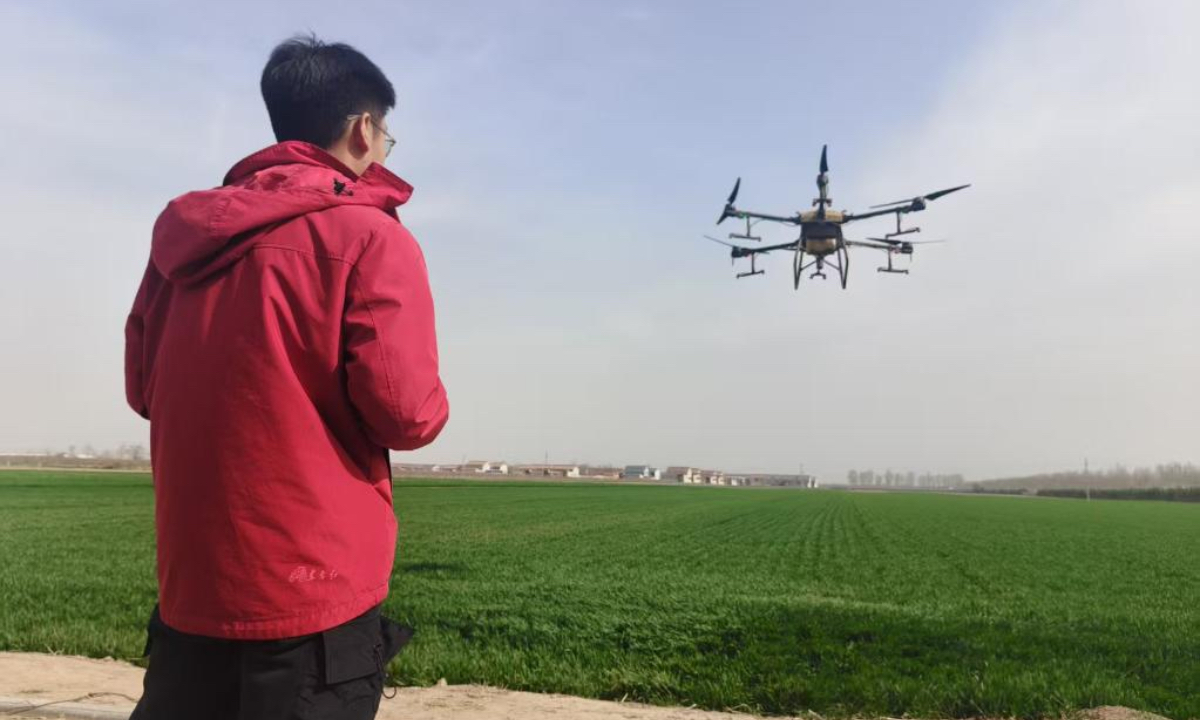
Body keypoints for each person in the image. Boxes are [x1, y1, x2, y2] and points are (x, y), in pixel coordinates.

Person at [123, 33, 448, 720]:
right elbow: (407, 413)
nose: (386, 149)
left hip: (195, 592)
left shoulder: (184, 238)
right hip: (313, 603)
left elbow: (142, 388)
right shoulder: (369, 237)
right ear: (364, 129)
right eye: (389, 135)